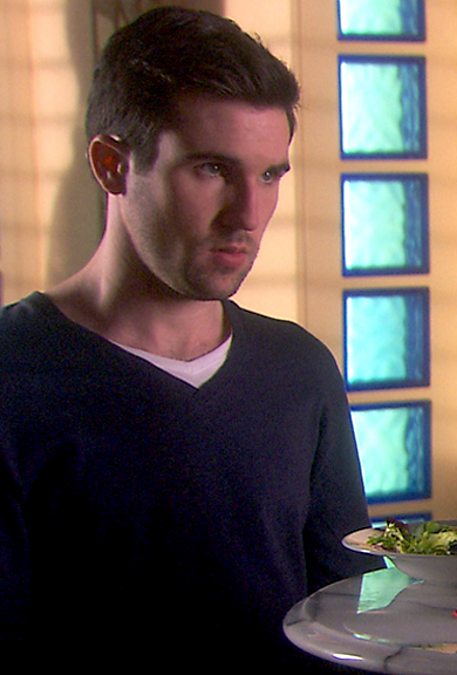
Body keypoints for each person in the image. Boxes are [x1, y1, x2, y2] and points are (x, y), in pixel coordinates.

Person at [0, 7, 379, 668]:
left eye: (269, 175)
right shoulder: (14, 374)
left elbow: (348, 614)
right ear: (112, 165)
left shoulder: (299, 370)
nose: (248, 215)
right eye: (211, 169)